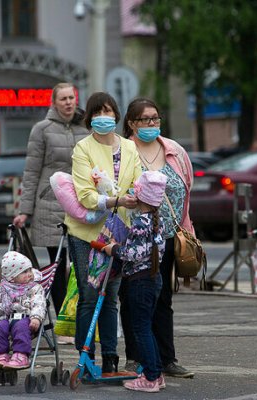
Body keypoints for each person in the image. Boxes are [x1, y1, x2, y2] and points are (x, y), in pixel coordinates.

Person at [64, 91, 142, 375]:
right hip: (87, 232)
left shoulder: (129, 148)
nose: (103, 118)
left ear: (116, 115)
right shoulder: (82, 148)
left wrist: (134, 195)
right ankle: (86, 358)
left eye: (108, 112)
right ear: (89, 118)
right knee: (88, 293)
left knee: (110, 296)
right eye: (97, 113)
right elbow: (85, 195)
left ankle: (110, 357)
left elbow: (136, 182)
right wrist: (116, 200)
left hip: (119, 230)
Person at [119, 97, 195, 378]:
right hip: (134, 238)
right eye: (145, 119)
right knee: (132, 298)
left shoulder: (174, 150)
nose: (151, 124)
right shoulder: (125, 151)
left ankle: (167, 358)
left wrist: (187, 231)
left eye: (155, 118)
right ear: (131, 123)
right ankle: (134, 357)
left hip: (168, 237)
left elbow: (187, 193)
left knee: (163, 298)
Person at [13, 83, 88, 324]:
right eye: (63, 98)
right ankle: (64, 322)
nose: (68, 102)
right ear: (54, 102)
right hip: (50, 204)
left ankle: (81, 319)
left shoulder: (86, 128)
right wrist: (24, 211)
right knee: (57, 265)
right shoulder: (42, 130)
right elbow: (32, 171)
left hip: (80, 202)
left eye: (71, 98)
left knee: (81, 265)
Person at [101, 170, 167, 392]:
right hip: (154, 279)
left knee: (140, 330)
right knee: (148, 327)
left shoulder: (140, 222)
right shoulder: (159, 221)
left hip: (139, 282)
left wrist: (114, 248)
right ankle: (156, 374)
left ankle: (149, 378)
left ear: (140, 197)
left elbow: (134, 253)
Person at [0, 251, 47, 370]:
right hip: (6, 319)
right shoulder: (1, 290)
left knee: (20, 326)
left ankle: (21, 355)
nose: (29, 274)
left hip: (26, 319)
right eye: (24, 272)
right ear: (12, 277)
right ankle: (1, 356)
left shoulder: (34, 288)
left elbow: (39, 304)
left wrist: (36, 318)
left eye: (30, 270)